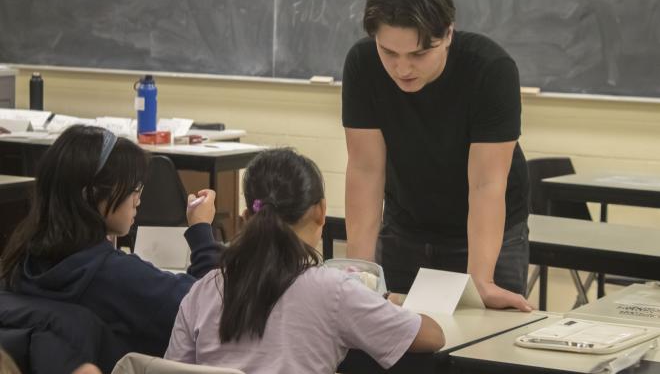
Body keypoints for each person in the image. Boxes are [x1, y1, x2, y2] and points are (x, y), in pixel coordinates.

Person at [342, 0, 532, 311]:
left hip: (486, 236)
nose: (403, 69)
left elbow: (486, 185)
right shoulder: (363, 65)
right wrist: (360, 273)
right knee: (394, 348)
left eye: (419, 54)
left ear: (448, 34)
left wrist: (481, 281)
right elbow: (365, 171)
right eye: (389, 53)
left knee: (478, 348)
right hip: (406, 228)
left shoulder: (489, 69)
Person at [165, 148, 444, 373]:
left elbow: (171, 368)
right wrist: (381, 304)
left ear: (246, 218)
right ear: (321, 212)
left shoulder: (204, 290)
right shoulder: (333, 290)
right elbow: (432, 336)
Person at [0, 125, 223, 357]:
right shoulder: (119, 277)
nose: (137, 200)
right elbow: (211, 306)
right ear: (94, 194)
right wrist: (200, 230)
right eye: (133, 189)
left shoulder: (20, 261)